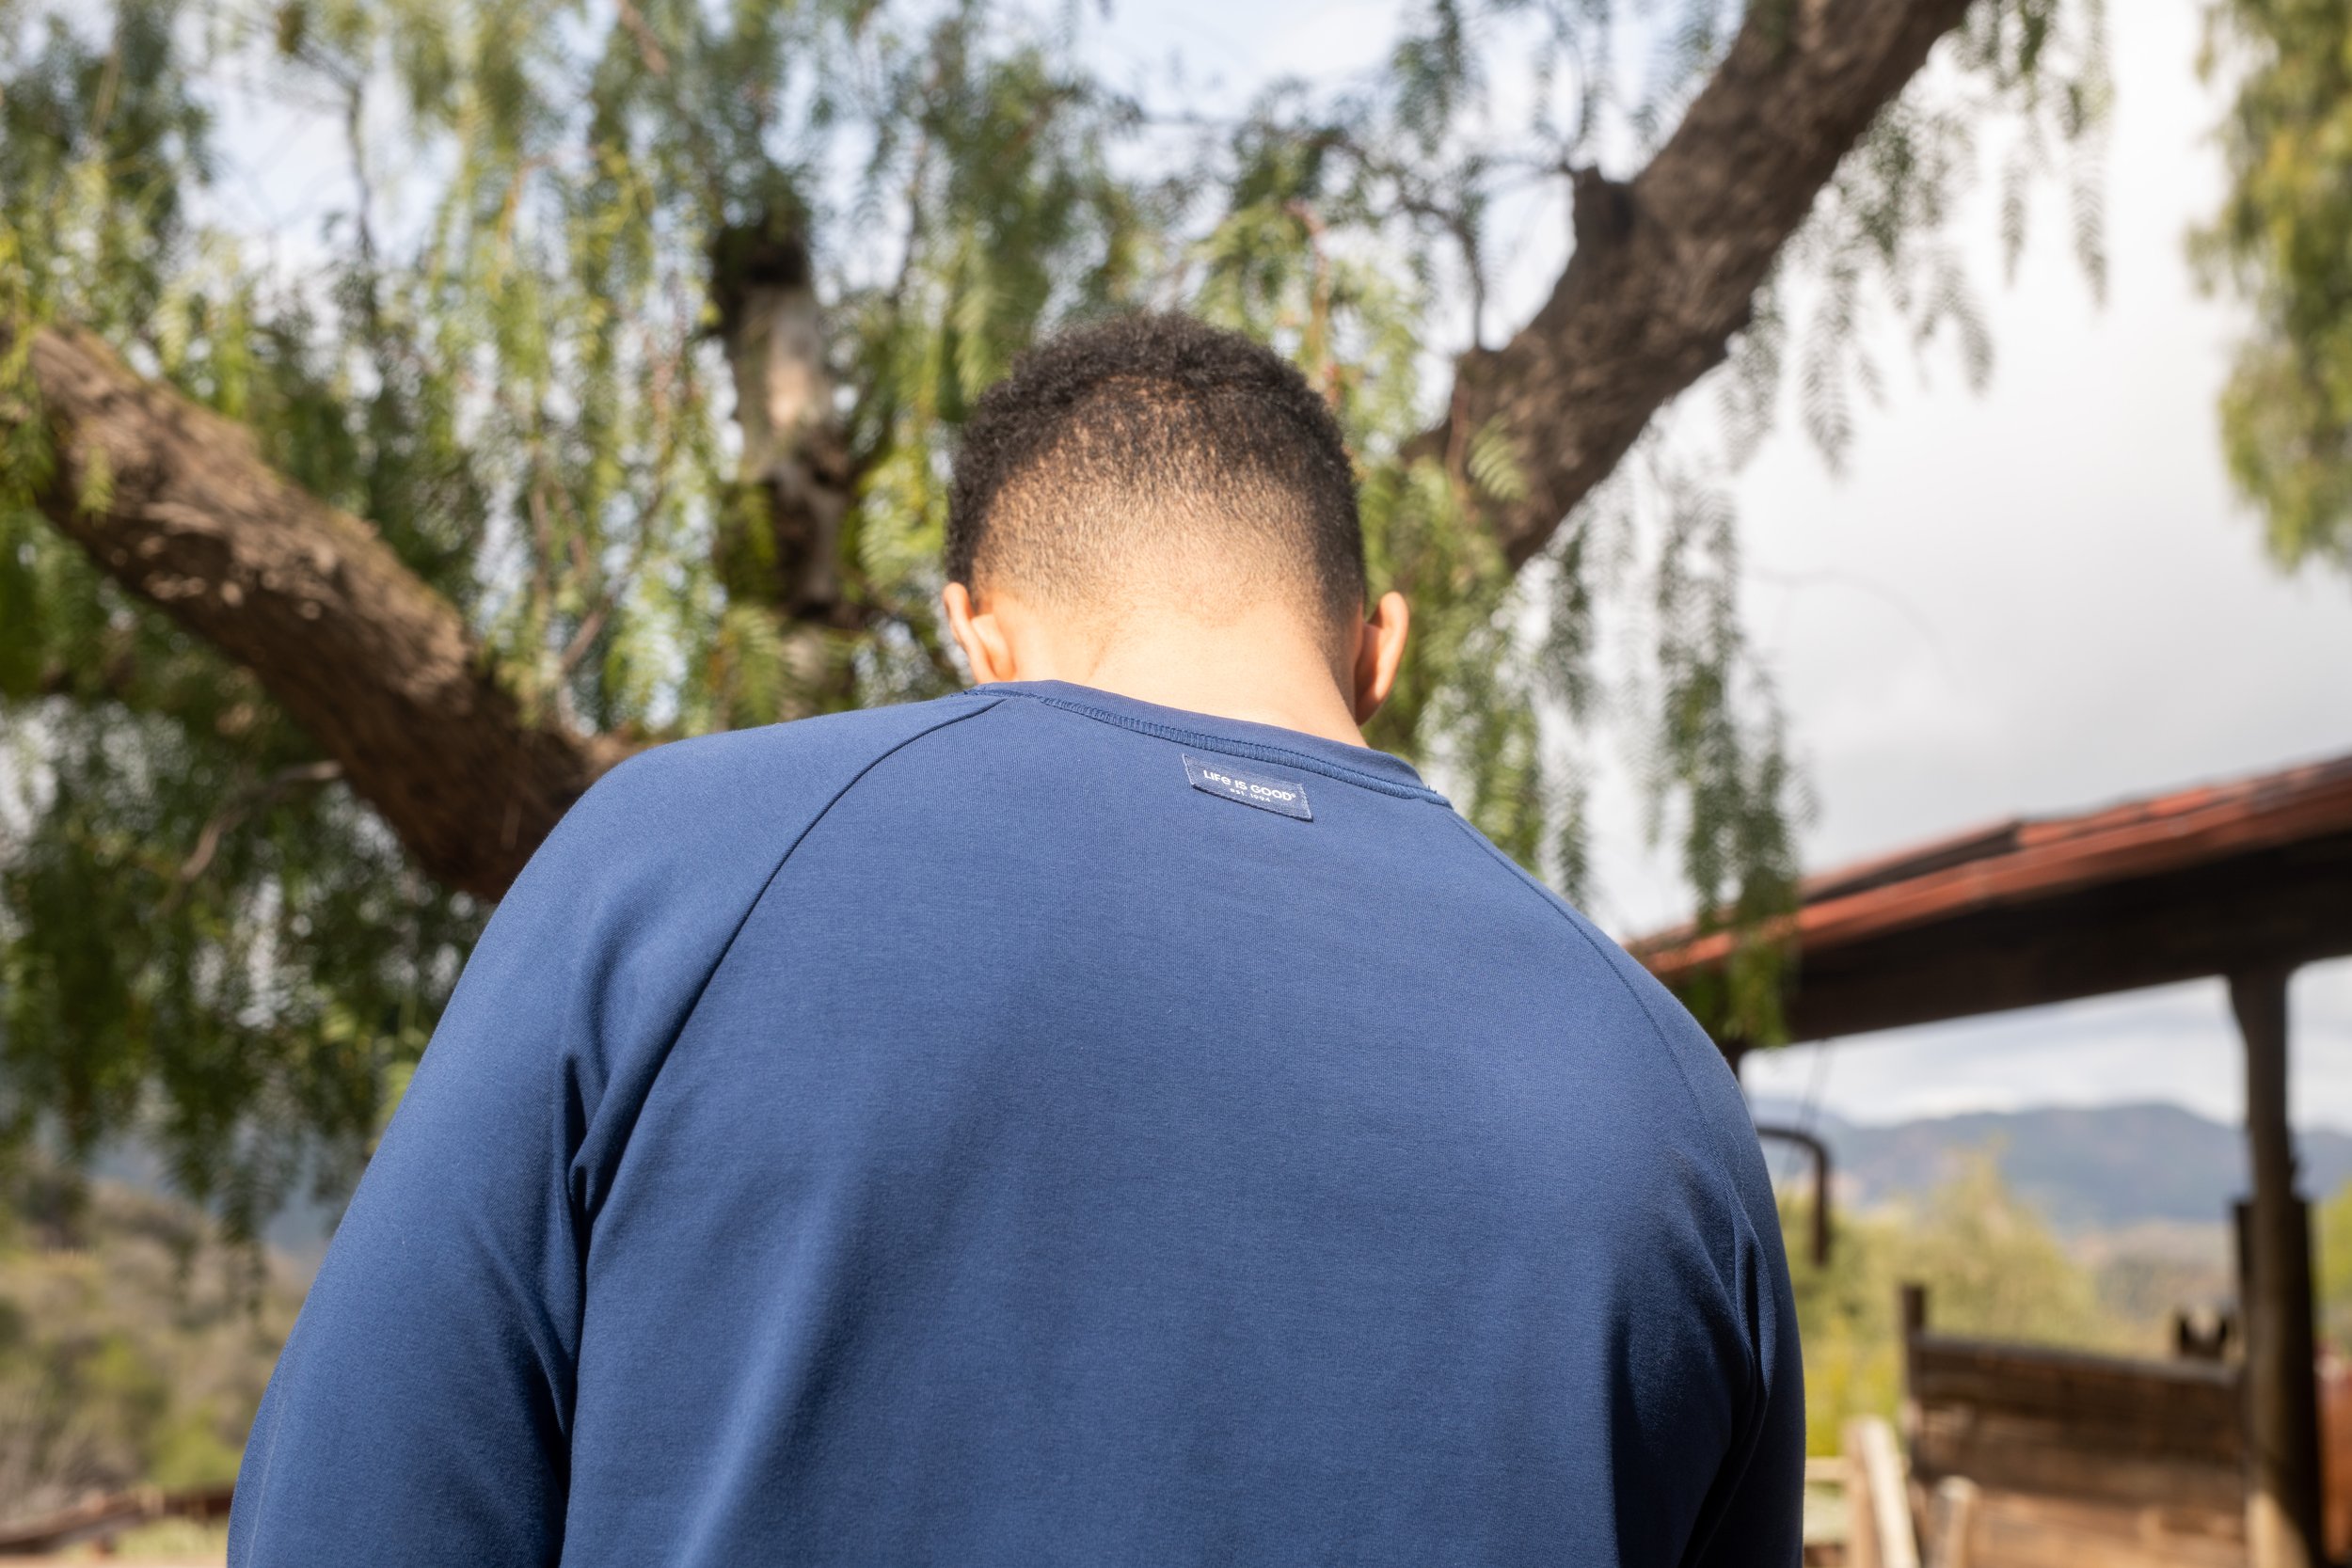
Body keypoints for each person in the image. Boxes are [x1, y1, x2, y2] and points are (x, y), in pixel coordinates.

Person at [227, 312, 1803, 1566]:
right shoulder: (1660, 1085)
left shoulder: (669, 873)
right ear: (1379, 642)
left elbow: (358, 1512)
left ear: (972, 632)